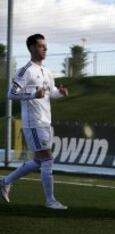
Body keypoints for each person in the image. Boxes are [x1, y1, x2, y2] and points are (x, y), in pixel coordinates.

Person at [0, 34, 69, 210]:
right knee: (47, 159)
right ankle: (50, 200)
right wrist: (32, 94)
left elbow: (50, 92)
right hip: (33, 123)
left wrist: (59, 93)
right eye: (41, 46)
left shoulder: (47, 71)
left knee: (39, 160)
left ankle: (5, 182)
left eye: (45, 46)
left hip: (46, 121)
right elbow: (11, 94)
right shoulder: (25, 71)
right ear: (31, 48)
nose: (45, 49)